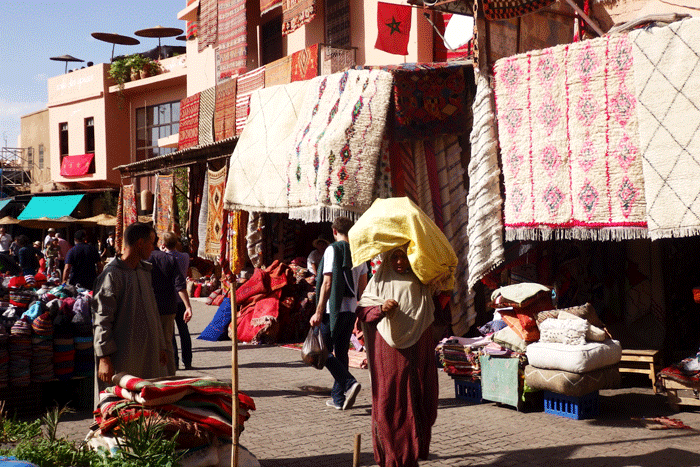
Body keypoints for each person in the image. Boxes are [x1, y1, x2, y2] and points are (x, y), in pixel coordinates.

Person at [356, 246, 442, 467]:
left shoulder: (421, 282)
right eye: (395, 256)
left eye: (404, 256)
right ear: (387, 259)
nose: (400, 261)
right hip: (389, 356)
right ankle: (391, 459)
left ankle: (410, 456)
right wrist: (381, 308)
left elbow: (432, 311)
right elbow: (363, 311)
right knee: (389, 403)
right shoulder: (379, 281)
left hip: (416, 355)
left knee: (417, 400)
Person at [92, 222, 169, 394]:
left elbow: (153, 311)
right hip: (124, 355)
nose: (153, 247)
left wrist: (161, 345)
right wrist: (104, 357)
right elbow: (102, 318)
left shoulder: (143, 272)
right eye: (152, 242)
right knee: (124, 402)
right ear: (140, 243)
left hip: (150, 351)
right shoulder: (111, 275)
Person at [309, 216, 367, 410]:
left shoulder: (332, 250)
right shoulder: (359, 252)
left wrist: (317, 312)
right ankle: (339, 398)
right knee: (341, 352)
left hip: (331, 311)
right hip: (350, 310)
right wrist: (360, 312)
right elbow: (363, 287)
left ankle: (349, 382)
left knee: (321, 352)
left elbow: (327, 283)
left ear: (334, 231)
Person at [149, 233, 193, 375]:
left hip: (161, 302)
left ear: (163, 243)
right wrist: (188, 306)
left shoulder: (153, 258)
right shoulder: (184, 257)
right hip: (177, 301)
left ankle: (172, 362)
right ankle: (187, 361)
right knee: (182, 332)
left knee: (170, 336)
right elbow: (180, 284)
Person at [162, 232, 193, 370]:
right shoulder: (184, 257)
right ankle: (188, 360)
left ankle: (174, 360)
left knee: (171, 333)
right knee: (184, 330)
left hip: (169, 298)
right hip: (182, 299)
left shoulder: (164, 258)